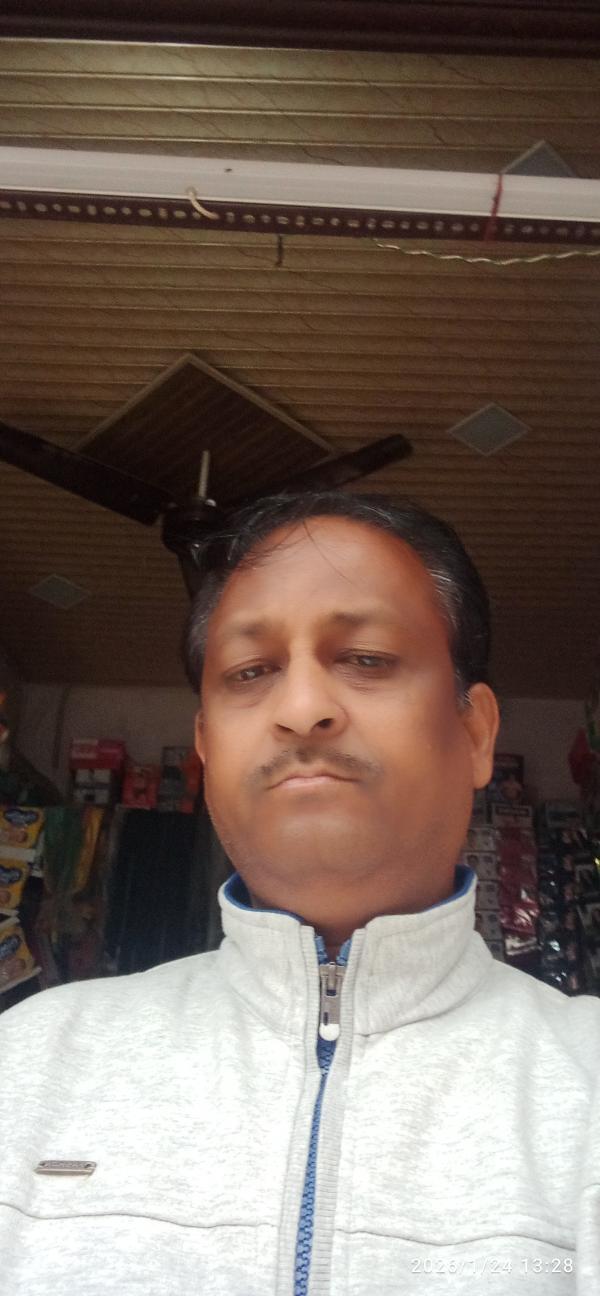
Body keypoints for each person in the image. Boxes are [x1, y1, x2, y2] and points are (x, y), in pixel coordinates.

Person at [1, 489, 599, 1296]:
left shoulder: (586, 1083)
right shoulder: (31, 1064)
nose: (304, 708)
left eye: (367, 659)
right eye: (251, 672)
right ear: (206, 749)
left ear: (475, 733)